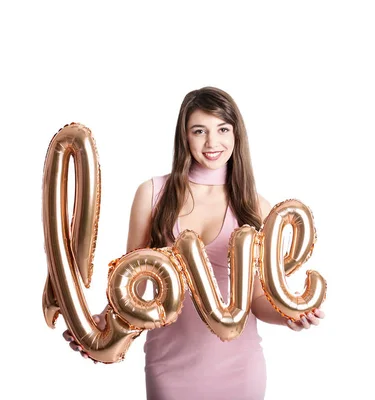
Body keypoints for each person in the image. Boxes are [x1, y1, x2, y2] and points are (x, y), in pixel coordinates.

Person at [63, 86, 325, 399]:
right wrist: (101, 326)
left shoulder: (256, 206)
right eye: (199, 131)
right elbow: (132, 281)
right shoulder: (153, 194)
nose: (213, 143)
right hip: (169, 366)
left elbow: (257, 298)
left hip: (240, 370)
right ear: (184, 137)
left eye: (222, 129)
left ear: (236, 134)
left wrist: (289, 316)